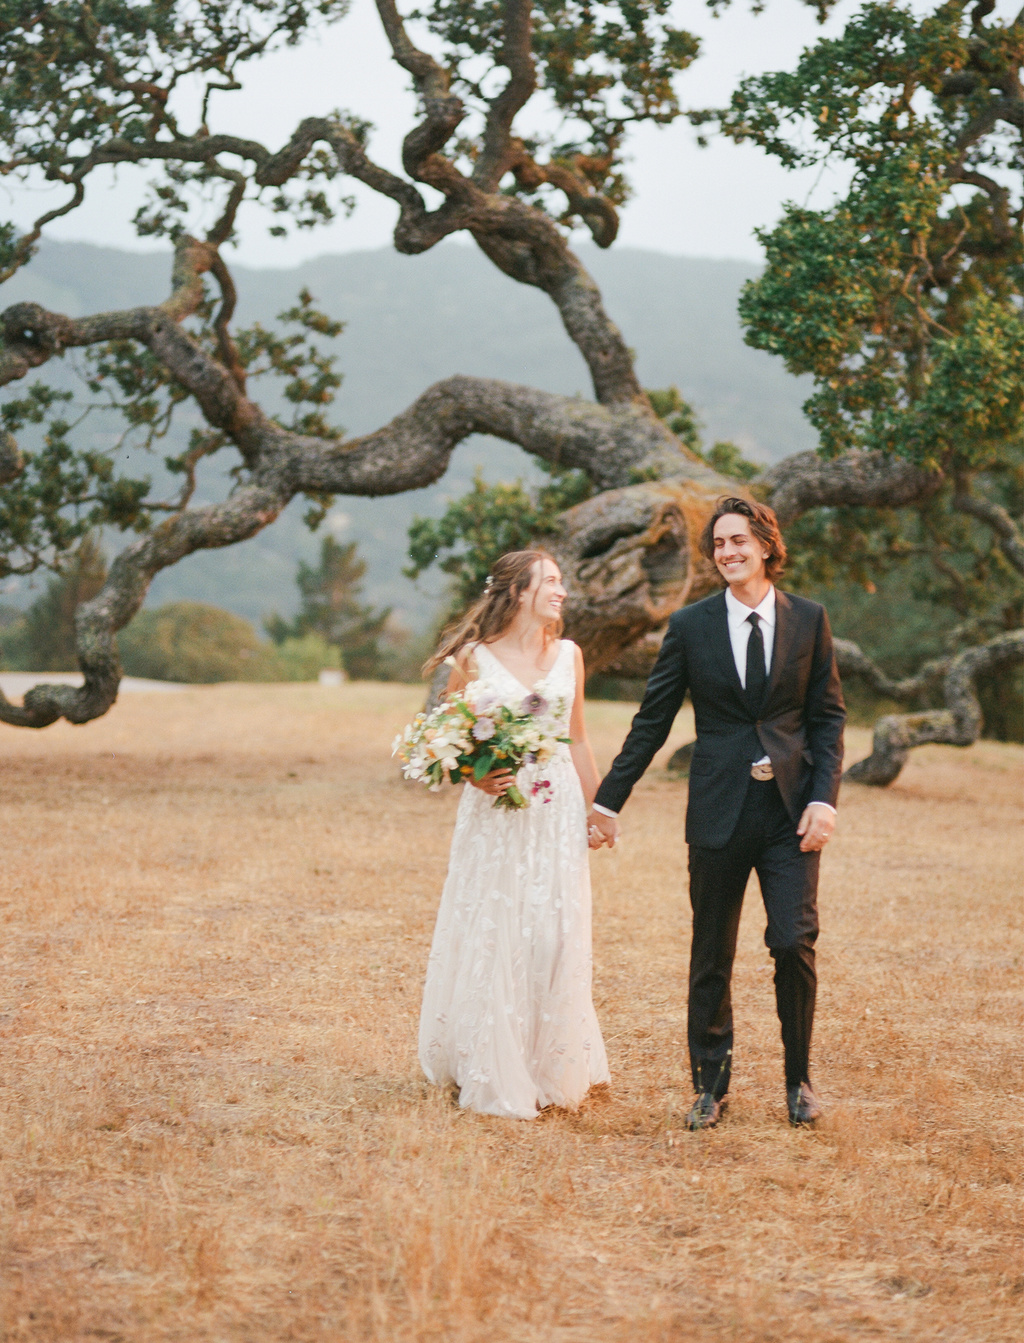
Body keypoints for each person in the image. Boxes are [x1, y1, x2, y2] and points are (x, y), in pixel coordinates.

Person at [588, 497, 845, 1129]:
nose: (727, 552)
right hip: (717, 814)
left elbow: (828, 718)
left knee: (792, 943)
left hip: (791, 815)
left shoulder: (810, 621)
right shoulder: (690, 627)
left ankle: (799, 1082)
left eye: (738, 541)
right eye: (718, 544)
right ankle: (710, 1085)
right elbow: (651, 721)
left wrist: (822, 799)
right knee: (711, 953)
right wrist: (606, 800)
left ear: (765, 545)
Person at [418, 549, 611, 1119]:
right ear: (519, 591)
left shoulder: (570, 654)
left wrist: (601, 807)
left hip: (555, 810)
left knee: (552, 930)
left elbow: (577, 737)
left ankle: (548, 1061)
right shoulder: (473, 658)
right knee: (497, 927)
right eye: (551, 581)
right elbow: (442, 740)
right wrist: (475, 775)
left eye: (560, 581)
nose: (561, 591)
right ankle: (491, 1061)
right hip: (498, 813)